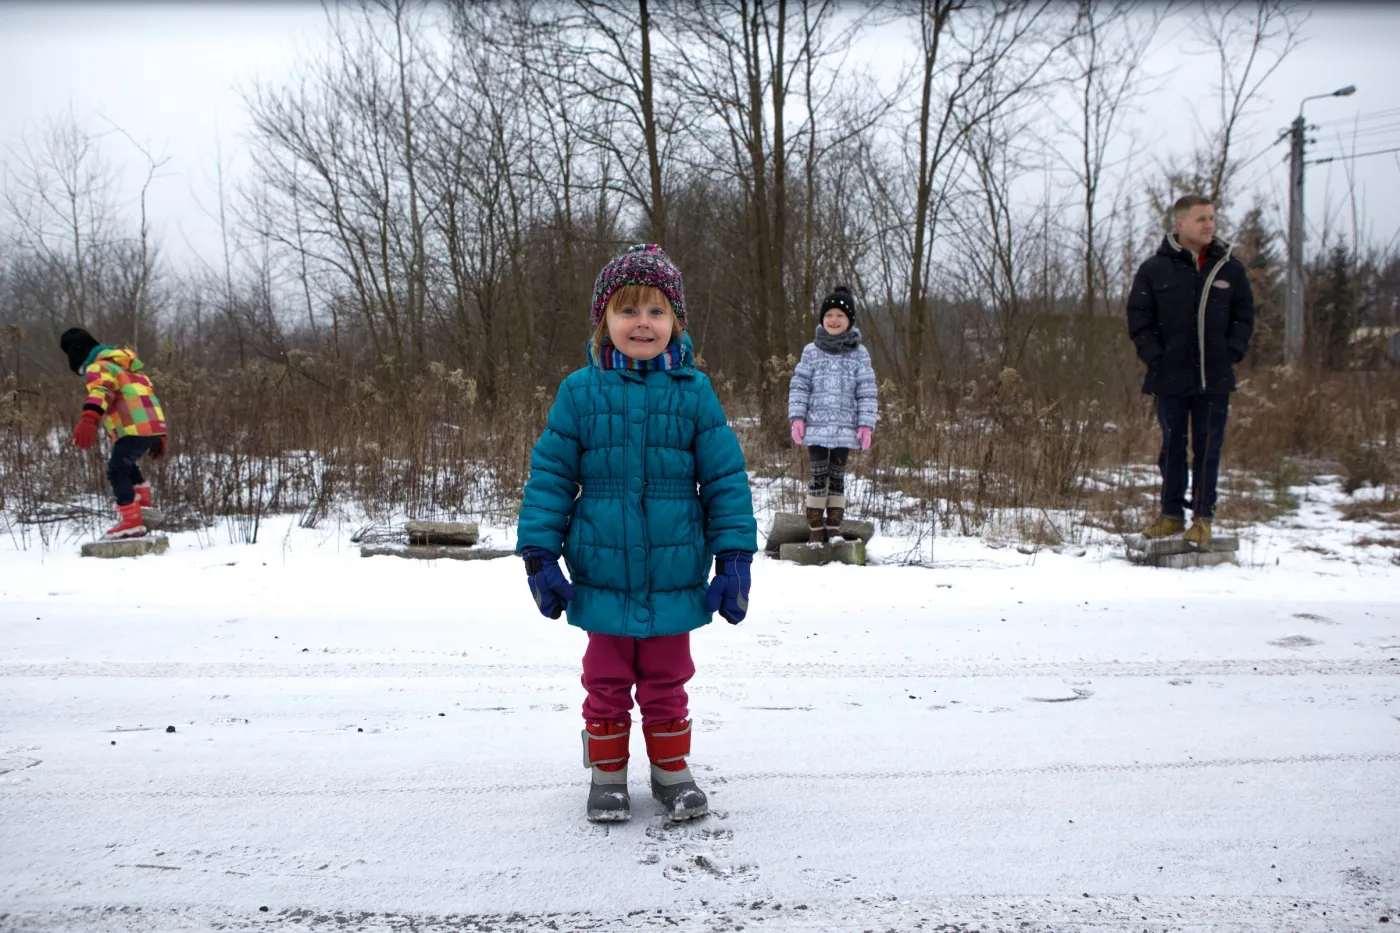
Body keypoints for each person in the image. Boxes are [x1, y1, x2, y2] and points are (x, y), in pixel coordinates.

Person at [515, 243, 758, 823]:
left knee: (669, 679)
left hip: (675, 572)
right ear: (604, 319)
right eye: (628, 310)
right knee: (604, 679)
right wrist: (539, 553)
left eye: (656, 311)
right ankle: (608, 777)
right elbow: (550, 476)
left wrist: (734, 558)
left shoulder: (693, 392)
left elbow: (724, 478)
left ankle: (673, 773)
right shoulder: (579, 392)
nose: (642, 323)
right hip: (600, 569)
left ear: (675, 321)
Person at [1127, 195, 1254, 547]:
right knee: (1172, 448)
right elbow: (1139, 318)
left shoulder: (1229, 268)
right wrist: (1156, 357)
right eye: (1201, 219)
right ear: (1180, 224)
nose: (1209, 225)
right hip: (1170, 377)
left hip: (1214, 379)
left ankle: (1202, 519)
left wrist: (1231, 351)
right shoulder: (1155, 269)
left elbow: (1245, 317)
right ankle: (1170, 516)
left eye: (1212, 218)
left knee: (1208, 448)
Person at [787, 285, 879, 543]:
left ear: (849, 321)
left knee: (837, 476)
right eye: (829, 315)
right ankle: (816, 528)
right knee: (817, 475)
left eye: (840, 315)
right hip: (816, 427)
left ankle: (834, 527)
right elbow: (800, 385)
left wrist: (865, 424)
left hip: (845, 428)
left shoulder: (859, 354)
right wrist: (797, 417)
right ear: (822, 319)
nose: (834, 320)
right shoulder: (811, 352)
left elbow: (867, 390)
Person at [59, 327, 168, 540]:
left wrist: (89, 419)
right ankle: (144, 508)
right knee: (127, 465)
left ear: (78, 359)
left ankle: (131, 522)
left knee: (116, 470)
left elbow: (101, 391)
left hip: (132, 429)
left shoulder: (98, 368)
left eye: (80, 371)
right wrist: (158, 434)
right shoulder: (129, 369)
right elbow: (148, 397)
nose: (84, 376)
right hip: (149, 427)